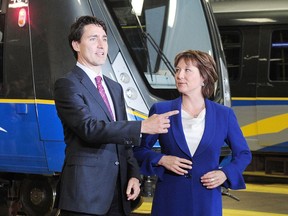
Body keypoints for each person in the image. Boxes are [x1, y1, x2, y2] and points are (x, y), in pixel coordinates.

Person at [53, 15, 179, 216]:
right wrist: (141, 127)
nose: (102, 45)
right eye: (93, 39)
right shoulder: (67, 84)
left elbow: (123, 140)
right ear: (76, 45)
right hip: (85, 195)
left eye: (104, 38)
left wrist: (133, 174)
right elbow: (89, 129)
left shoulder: (114, 88)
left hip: (118, 193)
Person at [133, 50, 252, 216]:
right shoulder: (161, 110)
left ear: (204, 77)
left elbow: (243, 154)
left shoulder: (223, 115)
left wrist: (225, 173)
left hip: (207, 200)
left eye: (187, 70)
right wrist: (161, 159)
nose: (180, 75)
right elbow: (138, 150)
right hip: (169, 199)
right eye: (177, 70)